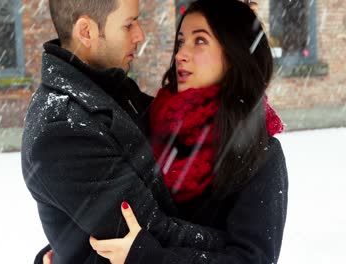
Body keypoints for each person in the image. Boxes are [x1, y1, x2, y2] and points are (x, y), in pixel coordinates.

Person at [22, 0, 232, 263]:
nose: (139, 35)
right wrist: (236, 248)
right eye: (128, 24)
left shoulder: (113, 91)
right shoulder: (62, 128)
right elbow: (149, 230)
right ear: (86, 31)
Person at [85, 0, 288, 263]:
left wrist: (148, 257)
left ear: (235, 53)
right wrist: (68, 251)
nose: (181, 54)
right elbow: (115, 217)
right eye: (180, 42)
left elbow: (251, 259)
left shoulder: (260, 155)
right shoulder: (150, 124)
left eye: (199, 41)